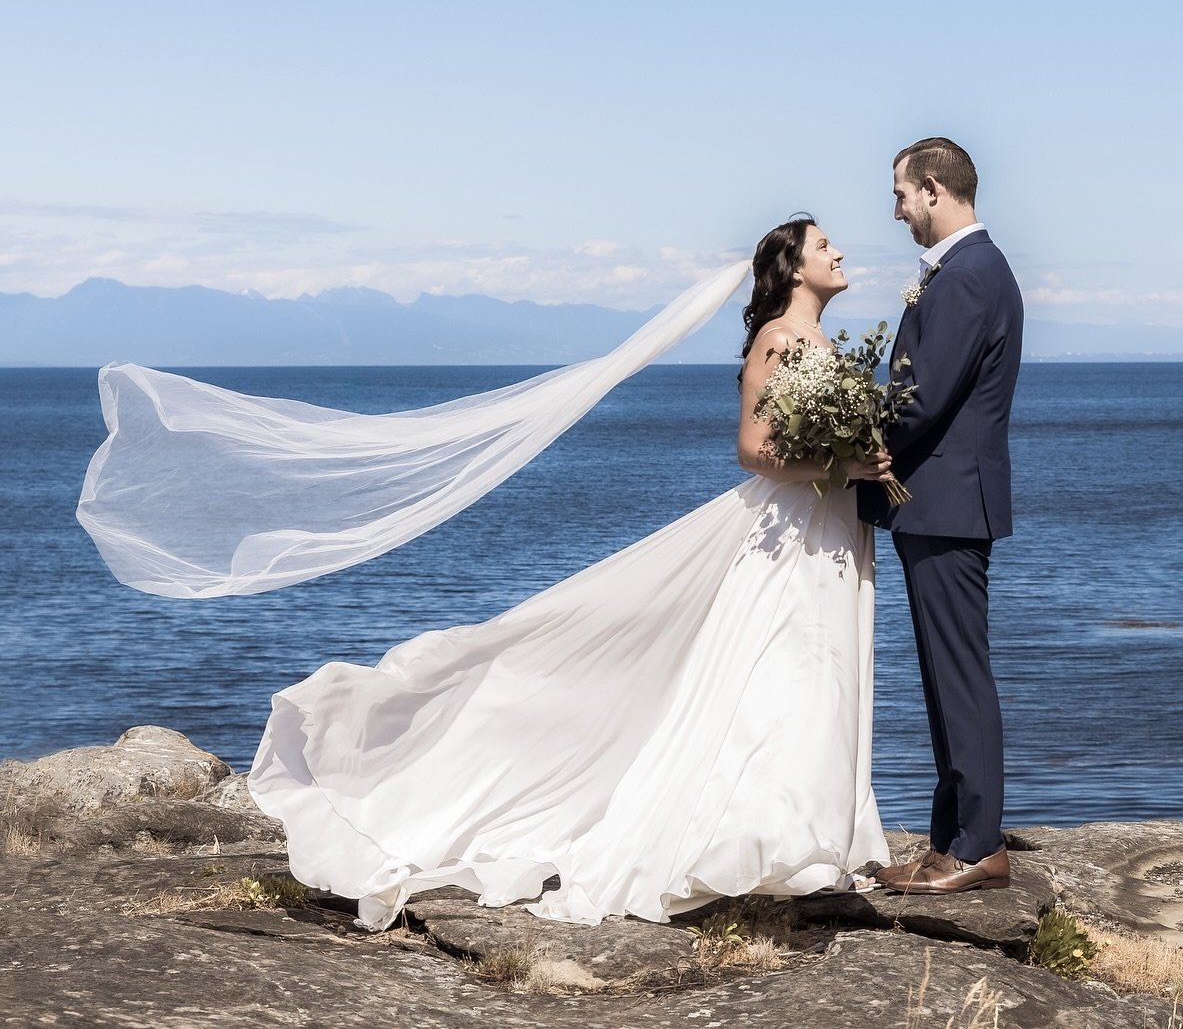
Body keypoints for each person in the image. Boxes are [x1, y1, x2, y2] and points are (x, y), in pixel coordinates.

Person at [245, 216, 893, 928]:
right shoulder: (778, 339)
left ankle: (802, 838)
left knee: (819, 672)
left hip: (830, 528)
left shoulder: (824, 342)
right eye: (823, 243)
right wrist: (843, 463)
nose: (837, 250)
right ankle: (755, 839)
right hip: (789, 531)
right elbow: (752, 448)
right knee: (784, 671)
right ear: (795, 268)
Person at [858, 138, 1024, 895]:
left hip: (950, 499)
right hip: (946, 501)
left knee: (959, 672)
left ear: (932, 188)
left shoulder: (965, 276)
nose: (895, 210)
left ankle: (977, 844)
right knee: (943, 674)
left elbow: (921, 396)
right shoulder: (969, 271)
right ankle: (950, 836)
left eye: (899, 194)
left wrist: (860, 448)